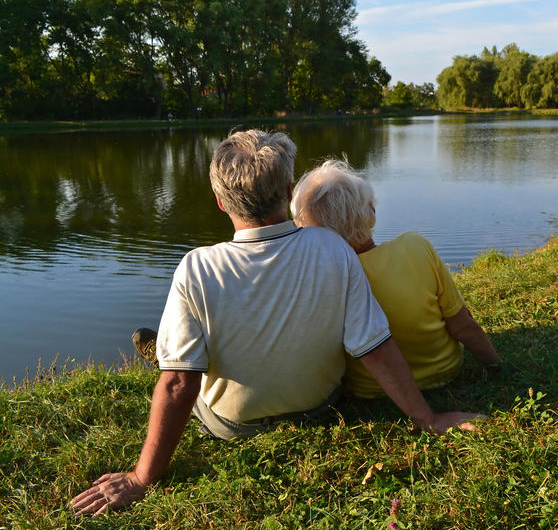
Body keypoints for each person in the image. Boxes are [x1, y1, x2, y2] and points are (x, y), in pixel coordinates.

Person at [70, 130, 480, 517]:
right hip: (319, 408)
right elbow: (375, 347)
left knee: (178, 369)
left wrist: (141, 478)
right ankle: (169, 349)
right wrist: (428, 419)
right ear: (288, 192)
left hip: (232, 426)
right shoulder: (333, 249)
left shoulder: (197, 267)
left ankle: (168, 351)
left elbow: (180, 385)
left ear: (220, 202)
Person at [290, 159, 501, 399]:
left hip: (370, 390)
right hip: (444, 371)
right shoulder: (415, 247)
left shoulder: (325, 278)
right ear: (371, 210)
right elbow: (462, 324)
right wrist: (495, 365)